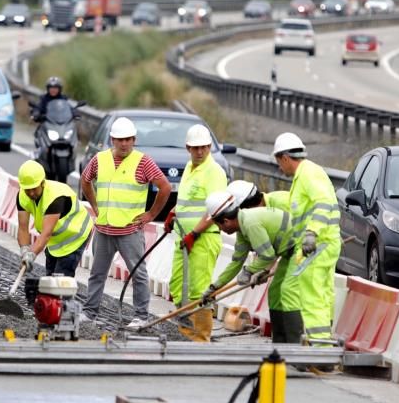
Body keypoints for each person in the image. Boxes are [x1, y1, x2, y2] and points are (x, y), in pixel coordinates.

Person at [81, 117, 171, 329]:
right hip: (104, 229)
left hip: (129, 231)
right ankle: (89, 312)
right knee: (97, 274)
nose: (124, 144)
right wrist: (95, 205)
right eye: (120, 140)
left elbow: (164, 187)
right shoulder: (99, 159)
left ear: (134, 139)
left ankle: (141, 315)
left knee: (138, 274)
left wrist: (150, 215)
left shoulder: (143, 161)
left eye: (128, 139)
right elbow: (85, 180)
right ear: (112, 139)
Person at [204, 191, 302, 343]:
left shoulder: (250, 223)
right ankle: (281, 343)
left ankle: (295, 345)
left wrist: (249, 271)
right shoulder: (242, 227)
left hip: (300, 249)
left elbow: (267, 255)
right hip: (288, 252)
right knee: (275, 292)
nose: (221, 230)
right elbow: (236, 262)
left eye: (218, 226)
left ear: (226, 221)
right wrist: (214, 287)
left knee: (287, 291)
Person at [273, 132, 340, 341]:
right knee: (323, 295)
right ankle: (323, 344)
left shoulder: (308, 175)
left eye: (278, 162)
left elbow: (324, 203)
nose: (279, 167)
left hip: (317, 245)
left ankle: (319, 350)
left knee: (312, 299)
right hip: (322, 244)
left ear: (285, 157)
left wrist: (312, 232)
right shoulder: (304, 176)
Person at [164, 124, 228, 342]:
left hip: (203, 239)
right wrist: (173, 213)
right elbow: (189, 201)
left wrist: (195, 233)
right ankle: (186, 332)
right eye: (195, 148)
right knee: (177, 285)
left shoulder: (214, 172)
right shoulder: (190, 168)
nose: (200, 152)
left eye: (204, 147)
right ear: (188, 148)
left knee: (199, 289)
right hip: (184, 239)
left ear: (209, 147)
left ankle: (201, 337)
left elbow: (216, 210)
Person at [16, 160, 94, 277]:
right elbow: (23, 228)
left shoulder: (55, 197)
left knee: (60, 279)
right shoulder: (22, 196)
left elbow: (46, 234)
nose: (31, 193)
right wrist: (25, 251)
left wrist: (32, 255)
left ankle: (64, 294)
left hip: (75, 235)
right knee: (50, 277)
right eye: (28, 189)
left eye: (34, 188)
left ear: (42, 183)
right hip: (55, 240)